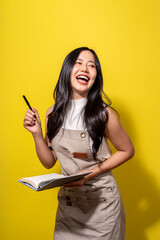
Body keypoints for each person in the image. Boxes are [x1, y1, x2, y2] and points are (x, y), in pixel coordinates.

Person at [23, 47, 134, 240]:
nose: (85, 68)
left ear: (95, 77)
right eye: (79, 63)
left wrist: (90, 174)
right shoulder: (52, 113)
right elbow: (49, 161)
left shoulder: (104, 114)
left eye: (91, 66)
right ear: (67, 70)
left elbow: (127, 150)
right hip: (69, 206)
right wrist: (37, 134)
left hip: (103, 207)